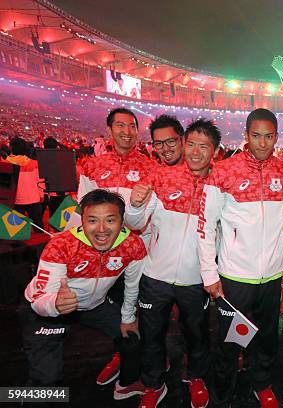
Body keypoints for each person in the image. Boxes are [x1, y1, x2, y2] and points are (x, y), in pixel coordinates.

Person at [198, 109, 283, 408]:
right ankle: (224, 389)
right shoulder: (224, 171)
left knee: (266, 337)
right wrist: (209, 274)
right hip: (235, 274)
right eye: (256, 136)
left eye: (268, 136)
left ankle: (261, 383)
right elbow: (205, 224)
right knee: (233, 338)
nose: (262, 143)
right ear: (246, 135)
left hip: (272, 273)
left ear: (276, 137)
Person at [127, 119, 220, 408]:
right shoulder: (161, 178)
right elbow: (136, 223)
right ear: (183, 143)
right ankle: (153, 384)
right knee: (152, 335)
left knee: (196, 333)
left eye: (202, 146)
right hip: (156, 275)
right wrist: (135, 204)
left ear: (214, 151)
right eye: (190, 144)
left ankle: (196, 378)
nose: (194, 151)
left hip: (196, 279)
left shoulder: (220, 184)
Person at [20, 190, 145, 400]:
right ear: (82, 221)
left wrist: (128, 318)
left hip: (93, 306)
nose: (102, 230)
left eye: (110, 220)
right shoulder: (62, 244)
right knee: (46, 380)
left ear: (122, 221)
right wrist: (55, 305)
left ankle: (127, 384)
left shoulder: (132, 245)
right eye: (93, 221)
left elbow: (132, 285)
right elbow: (39, 299)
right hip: (47, 309)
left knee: (132, 337)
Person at [77, 107, 157, 390]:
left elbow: (150, 215)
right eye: (120, 126)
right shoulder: (93, 167)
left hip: (138, 253)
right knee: (113, 309)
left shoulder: (151, 166)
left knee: (138, 309)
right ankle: (121, 354)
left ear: (138, 131)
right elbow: (81, 213)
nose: (127, 131)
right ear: (109, 131)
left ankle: (148, 360)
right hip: (103, 256)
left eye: (132, 126)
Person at [2, 137, 43, 227]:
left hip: (15, 200)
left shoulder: (5, 163)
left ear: (11, 147)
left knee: (15, 228)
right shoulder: (34, 163)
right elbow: (40, 181)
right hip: (34, 198)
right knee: (38, 227)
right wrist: (41, 195)